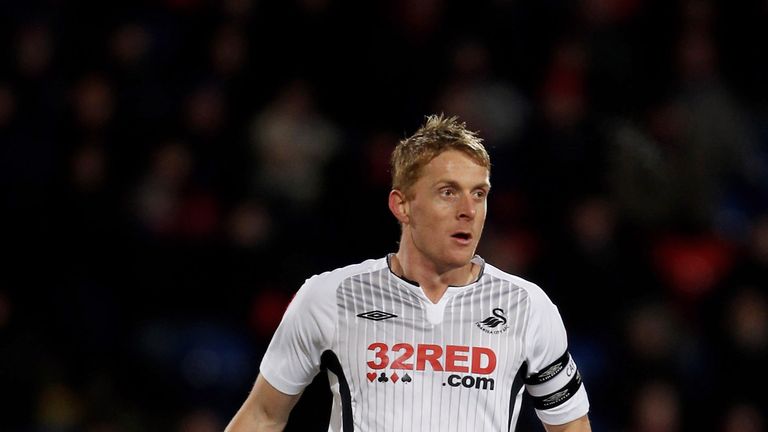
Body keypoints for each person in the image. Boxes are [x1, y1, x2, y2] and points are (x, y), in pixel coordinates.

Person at [225, 114, 591, 431]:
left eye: (479, 194)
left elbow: (571, 423)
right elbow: (262, 416)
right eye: (448, 192)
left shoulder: (527, 307)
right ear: (402, 205)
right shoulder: (330, 297)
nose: (468, 210)